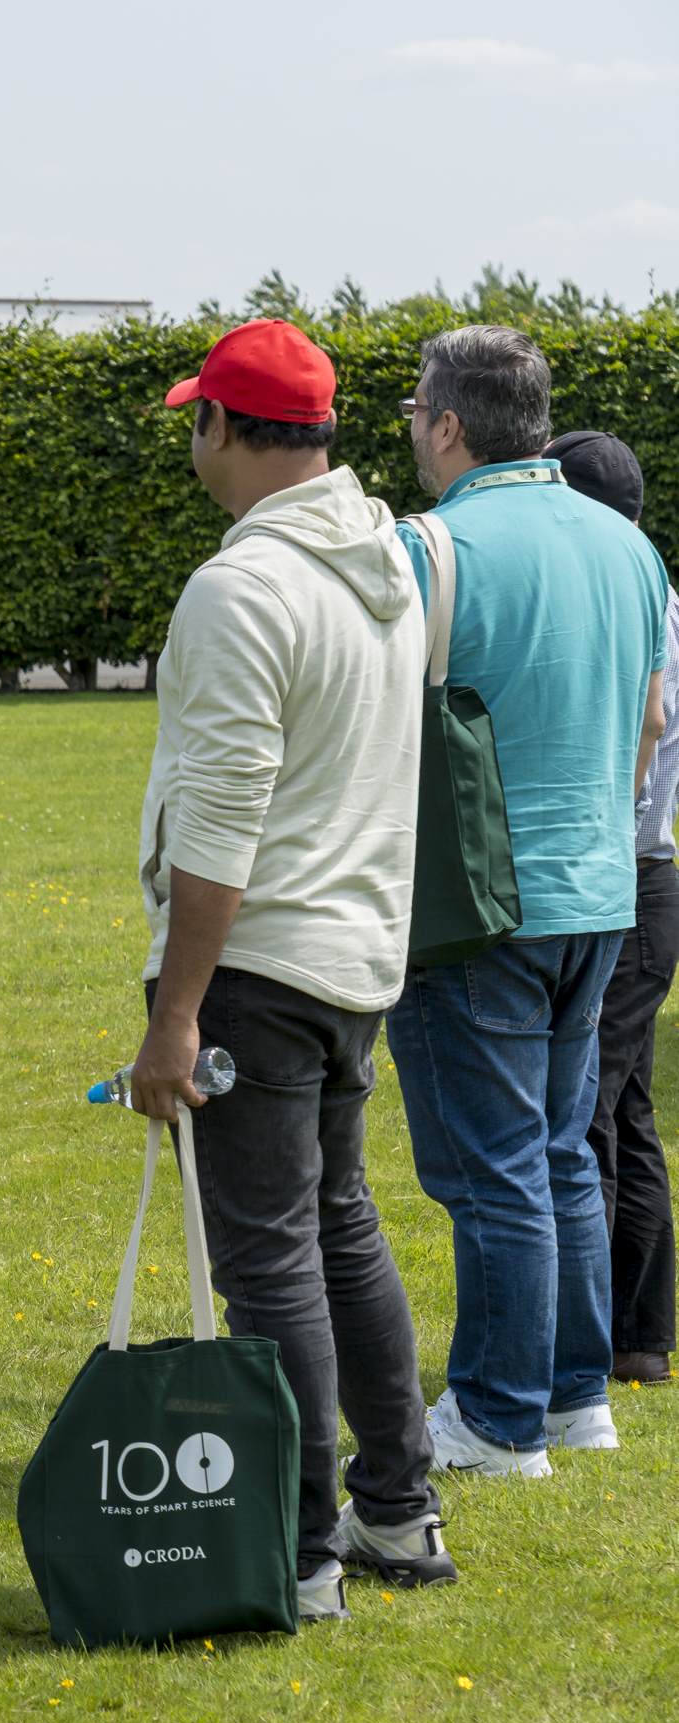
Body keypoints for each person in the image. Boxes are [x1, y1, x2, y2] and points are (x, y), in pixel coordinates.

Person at [126, 318, 449, 1622]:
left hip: (260, 962)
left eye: (196, 417)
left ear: (222, 427)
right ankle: (398, 1508)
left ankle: (304, 1550)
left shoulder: (241, 589)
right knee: (339, 1227)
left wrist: (176, 1014)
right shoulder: (394, 562)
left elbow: (220, 825)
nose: (191, 441)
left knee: (269, 1258)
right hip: (360, 949)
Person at [388, 328, 669, 1477]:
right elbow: (651, 721)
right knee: (557, 1153)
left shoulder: (430, 547)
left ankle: (501, 1416)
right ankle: (572, 1394)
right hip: (605, 888)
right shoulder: (629, 547)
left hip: (479, 901)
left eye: (415, 408)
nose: (409, 423)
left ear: (451, 424)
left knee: (494, 1166)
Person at [549, 430, 679, 1388]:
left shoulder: (630, 593)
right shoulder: (654, 586)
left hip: (629, 873)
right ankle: (640, 1336)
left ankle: (578, 1354)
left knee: (585, 1114)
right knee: (624, 1112)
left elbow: (651, 722)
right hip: (651, 873)